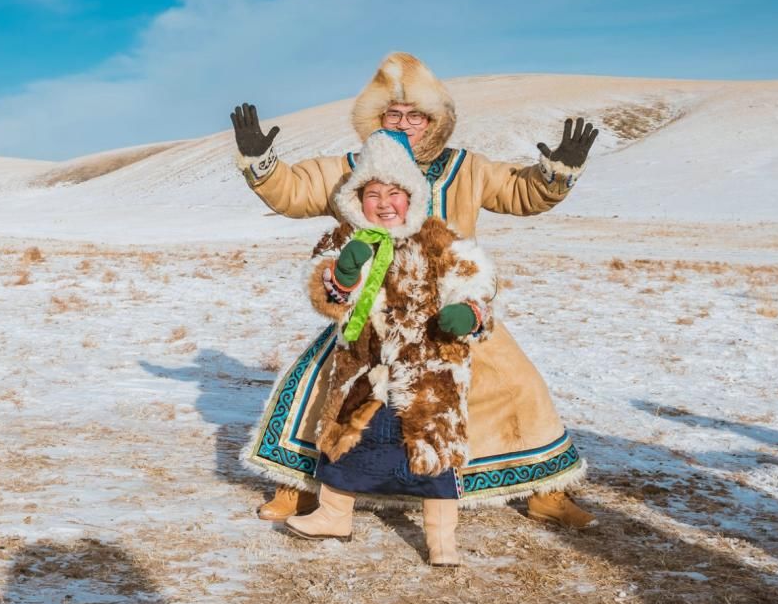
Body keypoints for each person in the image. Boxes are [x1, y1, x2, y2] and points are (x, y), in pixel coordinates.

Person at [234, 52, 599, 529]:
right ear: (377, 120)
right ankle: (299, 488)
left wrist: (553, 174)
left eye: (416, 116)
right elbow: (295, 190)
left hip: (451, 308)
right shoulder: (353, 168)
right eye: (393, 115)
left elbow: (519, 191)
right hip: (373, 308)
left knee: (517, 385)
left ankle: (544, 492)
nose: (404, 124)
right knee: (323, 387)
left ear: (436, 122)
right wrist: (263, 163)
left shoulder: (465, 168)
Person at [284, 129, 498, 566]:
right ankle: (332, 516)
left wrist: (469, 313)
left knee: (434, 450)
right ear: (356, 197)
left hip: (431, 367)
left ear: (413, 196)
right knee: (346, 443)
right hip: (363, 365)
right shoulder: (343, 238)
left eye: (395, 193)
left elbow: (476, 279)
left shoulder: (439, 238)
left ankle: (442, 541)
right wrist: (343, 274)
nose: (384, 204)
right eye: (373, 193)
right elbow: (328, 295)